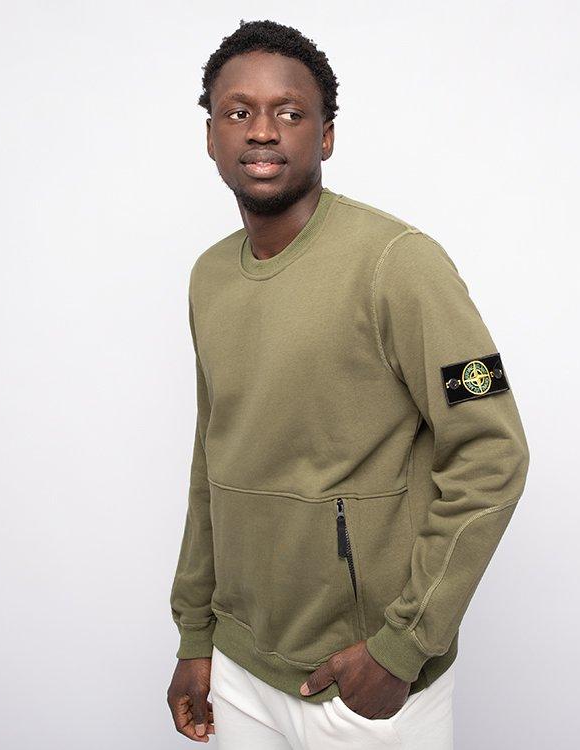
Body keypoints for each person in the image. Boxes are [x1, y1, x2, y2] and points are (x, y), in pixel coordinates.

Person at [166, 19, 531, 749]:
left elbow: (492, 452)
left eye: (289, 112)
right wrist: (196, 635)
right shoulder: (209, 277)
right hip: (240, 665)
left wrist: (403, 648)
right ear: (210, 137)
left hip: (361, 678)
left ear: (326, 136)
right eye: (238, 112)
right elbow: (213, 458)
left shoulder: (400, 263)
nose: (262, 131)